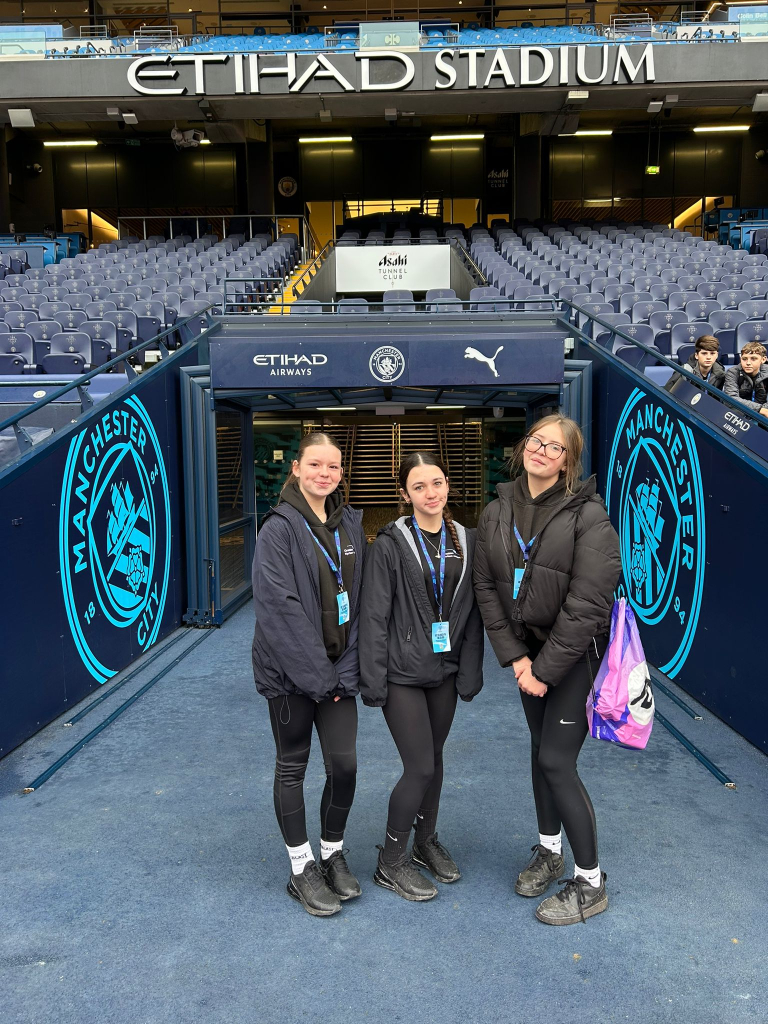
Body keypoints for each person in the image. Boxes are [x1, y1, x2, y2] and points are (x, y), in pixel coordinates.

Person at [474, 415, 621, 926]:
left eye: (554, 447)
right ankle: (548, 849)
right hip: (527, 658)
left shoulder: (590, 516)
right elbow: (486, 587)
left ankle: (590, 883)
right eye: (536, 441)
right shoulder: (495, 511)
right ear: (523, 447)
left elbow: (588, 603)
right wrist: (516, 658)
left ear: (568, 461)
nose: (541, 451)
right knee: (540, 755)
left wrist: (544, 670)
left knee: (557, 761)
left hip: (574, 658)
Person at [359, 452, 484, 902]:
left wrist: (470, 668)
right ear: (404, 494)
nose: (431, 493)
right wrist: (372, 679)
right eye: (419, 487)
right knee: (419, 767)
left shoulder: (466, 539)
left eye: (437, 483)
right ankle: (390, 862)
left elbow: (472, 612)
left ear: (448, 485)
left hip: (445, 670)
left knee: (435, 758)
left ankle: (424, 841)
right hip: (401, 674)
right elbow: (373, 615)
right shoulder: (390, 544)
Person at [251, 431, 366, 917]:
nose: (325, 474)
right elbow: (280, 610)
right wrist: (321, 676)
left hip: (338, 676)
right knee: (292, 766)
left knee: (345, 767)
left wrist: (348, 667)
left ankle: (331, 851)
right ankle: (301, 867)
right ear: (296, 468)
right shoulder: (277, 529)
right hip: (290, 677)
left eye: (334, 467)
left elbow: (360, 602)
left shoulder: (351, 525)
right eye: (315, 464)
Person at [723, 341, 768, 417]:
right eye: (744, 359)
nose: (748, 363)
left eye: (753, 359)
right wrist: (760, 409)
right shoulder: (733, 372)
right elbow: (731, 398)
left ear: (763, 360)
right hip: (740, 413)